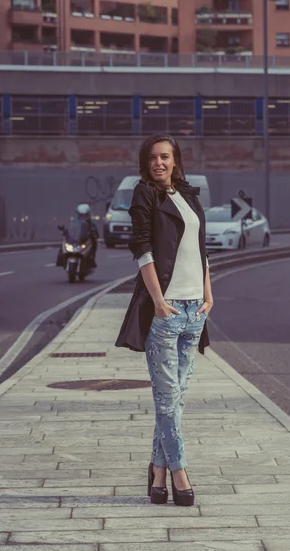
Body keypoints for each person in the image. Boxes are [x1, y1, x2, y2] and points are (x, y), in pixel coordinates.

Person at [115, 133, 214, 506]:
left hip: (195, 312)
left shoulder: (187, 195)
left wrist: (209, 294)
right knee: (168, 399)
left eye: (166, 157)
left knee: (174, 399)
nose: (159, 163)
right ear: (146, 162)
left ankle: (156, 471)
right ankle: (179, 473)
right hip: (167, 309)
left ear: (175, 160)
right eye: (153, 158)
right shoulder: (145, 194)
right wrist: (157, 300)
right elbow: (142, 249)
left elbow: (200, 250)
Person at [56, 203, 98, 268]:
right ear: (78, 214)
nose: (83, 216)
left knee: (94, 242)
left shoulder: (90, 222)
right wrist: (65, 231)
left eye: (84, 215)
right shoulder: (74, 221)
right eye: (81, 215)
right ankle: (60, 259)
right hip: (76, 240)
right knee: (64, 242)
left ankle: (91, 259)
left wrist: (94, 232)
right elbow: (70, 228)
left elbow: (95, 230)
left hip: (85, 239)